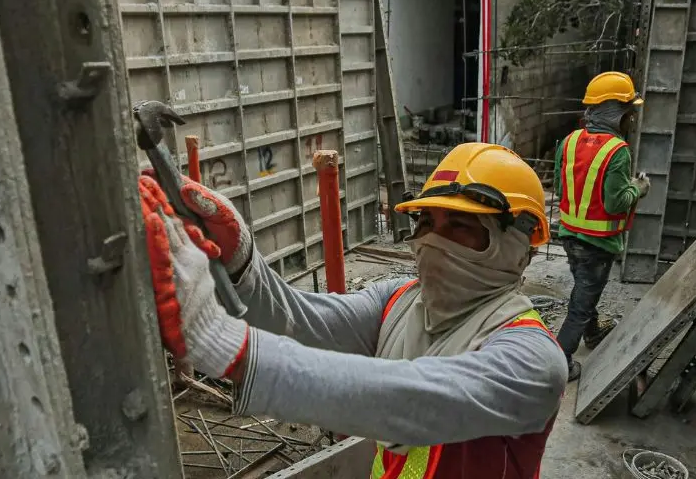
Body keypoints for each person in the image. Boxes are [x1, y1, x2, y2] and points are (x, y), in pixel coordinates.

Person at [139, 142, 568, 478]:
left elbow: (411, 401)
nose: (435, 242)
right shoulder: (401, 300)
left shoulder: (532, 360)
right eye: (427, 223)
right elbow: (301, 322)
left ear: (517, 248)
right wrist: (240, 261)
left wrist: (222, 343)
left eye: (461, 226)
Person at [552, 71, 651, 381]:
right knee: (580, 305)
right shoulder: (617, 151)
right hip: (598, 243)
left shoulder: (569, 142)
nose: (632, 118)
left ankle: (593, 333)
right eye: (629, 112)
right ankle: (559, 361)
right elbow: (615, 203)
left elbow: (558, 185)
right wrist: (639, 188)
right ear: (615, 112)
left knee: (584, 290)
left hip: (569, 236)